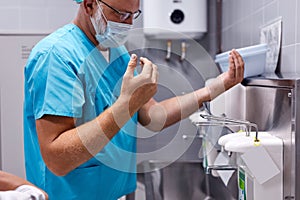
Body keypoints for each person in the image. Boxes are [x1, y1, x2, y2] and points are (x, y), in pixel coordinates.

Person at [23, 0, 244, 199]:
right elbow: (57, 159)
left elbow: (153, 116)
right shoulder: (56, 56)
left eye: (133, 15)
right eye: (121, 15)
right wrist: (126, 105)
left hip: (115, 193)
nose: (127, 24)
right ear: (90, 5)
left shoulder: (117, 51)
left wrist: (211, 90)